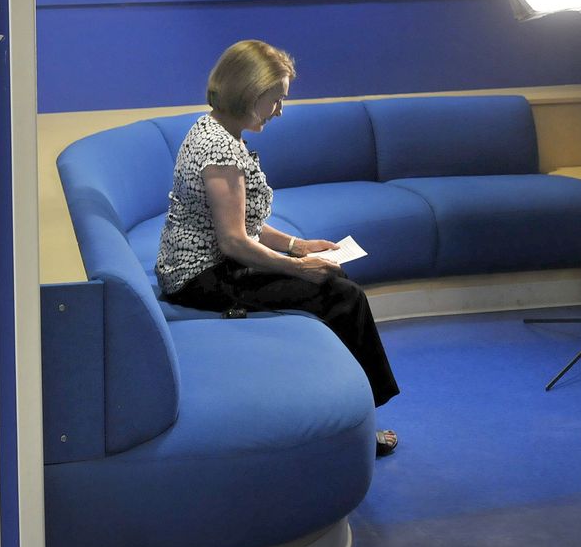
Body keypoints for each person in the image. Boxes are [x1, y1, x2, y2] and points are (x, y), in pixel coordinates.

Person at [155, 40, 400, 456]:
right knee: (343, 297)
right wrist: (298, 268)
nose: (280, 110)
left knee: (337, 286)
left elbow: (245, 224)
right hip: (201, 278)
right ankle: (359, 425)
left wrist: (298, 246)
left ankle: (357, 414)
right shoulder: (219, 151)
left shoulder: (216, 131)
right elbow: (234, 243)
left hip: (211, 266)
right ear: (251, 93)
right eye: (277, 99)